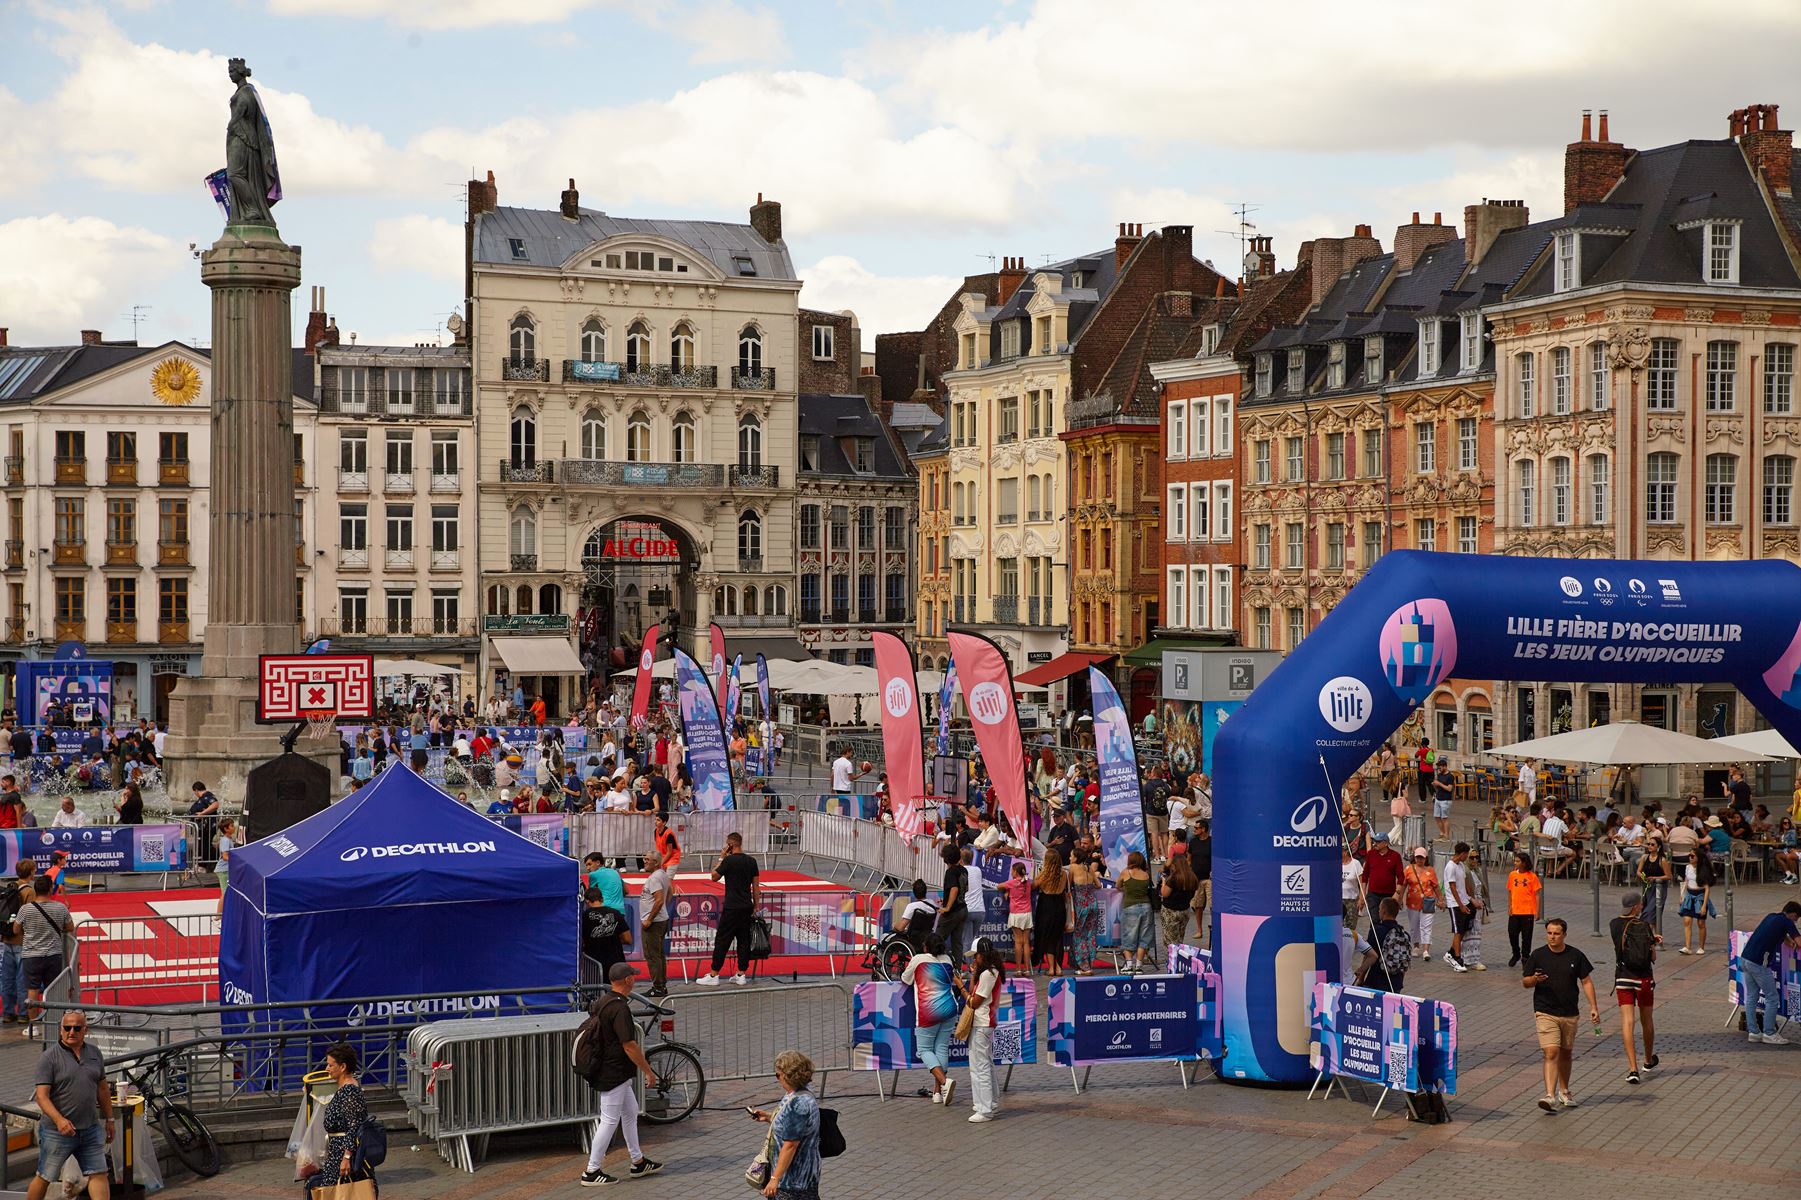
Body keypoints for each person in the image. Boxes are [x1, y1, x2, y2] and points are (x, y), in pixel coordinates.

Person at [577, 963, 665, 1186]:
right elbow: (629, 1045)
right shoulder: (620, 1008)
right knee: (608, 1120)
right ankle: (591, 1170)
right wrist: (648, 1071)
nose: (635, 979)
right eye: (633, 977)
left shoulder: (604, 1001)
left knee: (630, 1112)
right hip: (613, 1072)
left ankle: (638, 1161)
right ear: (628, 981)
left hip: (613, 1071)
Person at [28, 1008, 112, 1200]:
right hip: (56, 1131)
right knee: (44, 1176)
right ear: (60, 1029)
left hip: (90, 1127)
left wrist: (109, 1119)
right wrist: (59, 1120)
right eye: (67, 1027)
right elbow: (42, 1096)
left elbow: (103, 1089)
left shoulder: (94, 1053)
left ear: (85, 1030)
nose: (71, 1032)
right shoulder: (49, 1058)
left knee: (99, 1173)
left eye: (76, 1028)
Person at [1522, 918, 1599, 1113]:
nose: (1552, 937)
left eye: (1556, 933)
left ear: (1564, 934)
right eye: (1549, 933)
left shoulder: (1575, 955)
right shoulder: (1538, 955)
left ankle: (1564, 1091)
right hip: (1545, 1011)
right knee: (1551, 1052)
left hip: (1569, 1012)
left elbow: (1586, 981)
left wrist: (1593, 1007)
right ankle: (1550, 1095)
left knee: (1565, 1052)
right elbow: (1525, 982)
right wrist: (1535, 979)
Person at [749, 1050, 821, 1198]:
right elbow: (796, 1125)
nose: (777, 1078)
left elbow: (790, 1145)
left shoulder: (798, 1104)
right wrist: (770, 1117)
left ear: (789, 1076)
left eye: (778, 1075)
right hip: (801, 1177)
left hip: (794, 1181)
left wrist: (775, 1179)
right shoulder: (800, 1092)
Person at [306, 1042, 373, 1195]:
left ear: (342, 1067)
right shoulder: (344, 1089)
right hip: (337, 1154)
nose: (327, 1069)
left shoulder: (350, 1091)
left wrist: (346, 1157)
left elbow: (354, 1125)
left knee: (339, 1194)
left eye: (330, 1065)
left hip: (342, 1157)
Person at [900, 931, 957, 1105]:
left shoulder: (918, 959)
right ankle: (938, 1093)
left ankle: (944, 1082)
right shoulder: (948, 960)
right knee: (941, 1048)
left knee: (924, 1050)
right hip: (950, 1009)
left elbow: (905, 979)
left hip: (929, 1012)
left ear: (925, 947)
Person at [697, 832, 761, 986]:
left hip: (732, 906)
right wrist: (756, 906)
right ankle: (741, 973)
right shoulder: (752, 861)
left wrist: (721, 858)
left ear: (731, 845)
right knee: (744, 940)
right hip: (746, 906)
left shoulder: (728, 861)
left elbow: (714, 876)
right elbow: (756, 886)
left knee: (722, 940)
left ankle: (714, 975)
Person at [1610, 892, 1661, 1083]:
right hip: (1644, 980)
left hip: (1623, 979)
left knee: (1627, 1022)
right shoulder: (1646, 926)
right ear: (1636, 907)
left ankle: (1632, 1069)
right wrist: (1652, 941)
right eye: (1640, 905)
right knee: (1646, 1021)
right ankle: (1647, 1060)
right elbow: (1653, 958)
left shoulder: (1614, 924)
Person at [1738, 900, 1801, 1046]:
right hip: (1759, 964)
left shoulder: (1771, 916)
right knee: (1773, 998)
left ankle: (1754, 1032)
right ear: (1792, 914)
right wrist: (1794, 941)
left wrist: (1788, 941)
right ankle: (1769, 1033)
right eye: (1796, 918)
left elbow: (1780, 934)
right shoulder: (1787, 922)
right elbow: (1799, 941)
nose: (1796, 922)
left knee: (1752, 996)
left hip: (1745, 958)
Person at [16, 876, 69, 1035]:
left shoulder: (25, 909)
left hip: (31, 956)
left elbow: (16, 930)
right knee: (53, 989)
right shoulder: (60, 908)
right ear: (50, 889)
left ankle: (34, 1027)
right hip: (54, 954)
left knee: (32, 990)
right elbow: (70, 926)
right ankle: (56, 1024)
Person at [964, 941, 1005, 1123]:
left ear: (982, 955)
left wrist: (961, 989)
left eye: (976, 955)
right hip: (985, 1022)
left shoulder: (988, 974)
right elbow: (976, 992)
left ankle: (985, 1108)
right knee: (985, 1064)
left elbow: (974, 1001)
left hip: (982, 1022)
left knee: (979, 1067)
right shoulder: (990, 972)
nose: (974, 959)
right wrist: (973, 975)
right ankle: (991, 1102)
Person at [1356, 898, 1412, 993]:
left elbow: (1368, 956)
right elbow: (1404, 960)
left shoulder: (1376, 930)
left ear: (1384, 911)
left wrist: (1361, 978)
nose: (1378, 911)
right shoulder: (1403, 933)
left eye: (1379, 909)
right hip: (1396, 983)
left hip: (1376, 981)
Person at [638, 850, 673, 998]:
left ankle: (658, 987)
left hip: (654, 922)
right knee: (658, 955)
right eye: (644, 859)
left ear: (656, 863)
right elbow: (669, 892)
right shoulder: (662, 874)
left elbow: (659, 900)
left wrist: (649, 919)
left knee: (652, 956)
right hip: (661, 919)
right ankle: (661, 985)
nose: (644, 861)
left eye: (647, 859)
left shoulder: (654, 878)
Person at [1031, 849, 1071, 975]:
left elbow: (1033, 886)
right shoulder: (1064, 874)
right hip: (1059, 906)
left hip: (1046, 906)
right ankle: (1058, 967)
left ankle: (1051, 968)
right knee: (1058, 938)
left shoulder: (1044, 874)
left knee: (1047, 937)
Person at [582, 885, 632, 982]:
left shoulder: (584, 917)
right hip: (616, 963)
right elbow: (628, 939)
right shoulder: (616, 913)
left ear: (587, 901)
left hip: (594, 965)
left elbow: (582, 941)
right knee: (617, 992)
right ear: (602, 899)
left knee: (594, 994)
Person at [1114, 851, 1153, 972]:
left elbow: (1117, 886)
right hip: (1147, 907)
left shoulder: (1126, 873)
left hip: (1130, 906)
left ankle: (1129, 965)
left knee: (1128, 936)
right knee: (1144, 937)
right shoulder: (1146, 874)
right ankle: (1139, 966)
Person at [1067, 849, 1104, 974]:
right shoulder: (1089, 868)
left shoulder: (1073, 867)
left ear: (1076, 857)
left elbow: (1068, 884)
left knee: (1079, 934)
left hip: (1081, 905)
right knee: (1090, 934)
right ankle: (1090, 962)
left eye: (1071, 855)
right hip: (1093, 904)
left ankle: (1084, 966)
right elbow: (1098, 885)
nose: (1069, 857)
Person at [1443, 841, 1477, 972]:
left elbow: (1464, 884)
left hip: (1465, 901)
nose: (1467, 857)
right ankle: (1457, 958)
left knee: (1464, 930)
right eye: (1466, 854)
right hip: (1455, 903)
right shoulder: (1450, 867)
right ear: (1462, 853)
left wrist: (1470, 899)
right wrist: (1461, 905)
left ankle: (1451, 952)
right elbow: (1452, 888)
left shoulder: (1461, 865)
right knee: (1458, 931)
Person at [1676, 843, 1715, 955]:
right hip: (1689, 895)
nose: (1690, 858)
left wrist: (1704, 905)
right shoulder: (1688, 867)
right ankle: (1687, 946)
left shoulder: (1703, 870)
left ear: (1698, 858)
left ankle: (1701, 946)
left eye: (1692, 856)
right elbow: (1686, 881)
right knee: (1687, 920)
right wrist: (1682, 896)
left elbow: (1707, 889)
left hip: (1700, 896)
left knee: (1701, 922)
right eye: (1689, 855)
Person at [1505, 852, 1542, 967]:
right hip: (1515, 911)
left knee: (1527, 936)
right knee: (1512, 934)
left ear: (1524, 863)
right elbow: (1510, 891)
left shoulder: (1532, 876)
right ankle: (1516, 953)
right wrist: (1509, 906)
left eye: (1517, 861)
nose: (1515, 863)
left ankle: (1525, 957)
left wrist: (1537, 911)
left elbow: (1537, 894)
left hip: (1527, 911)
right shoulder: (1512, 875)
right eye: (1515, 861)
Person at [935, 844, 968, 968]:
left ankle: (935, 967)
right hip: (963, 908)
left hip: (953, 912)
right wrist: (947, 899)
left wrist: (947, 906)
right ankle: (957, 969)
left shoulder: (950, 872)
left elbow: (954, 889)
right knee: (957, 943)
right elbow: (964, 889)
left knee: (937, 939)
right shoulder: (963, 870)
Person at [1401, 847, 1437, 963]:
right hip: (1412, 902)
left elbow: (1436, 886)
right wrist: (1399, 898)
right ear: (1414, 857)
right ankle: (1416, 946)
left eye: (1422, 858)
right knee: (1414, 926)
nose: (1419, 860)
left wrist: (1441, 899)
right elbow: (1403, 885)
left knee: (1426, 926)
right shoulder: (1408, 869)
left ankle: (1426, 950)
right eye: (1418, 857)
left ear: (1426, 858)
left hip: (1428, 902)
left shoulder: (1430, 870)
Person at [1159, 852, 1198, 950]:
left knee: (1170, 940)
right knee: (1180, 938)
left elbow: (1164, 893)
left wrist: (1163, 883)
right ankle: (1179, 958)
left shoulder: (1174, 878)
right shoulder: (1192, 877)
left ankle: (1172, 961)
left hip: (1171, 911)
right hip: (1184, 910)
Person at [1359, 831, 1403, 917]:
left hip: (1389, 895)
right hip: (1373, 894)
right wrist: (1362, 894)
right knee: (1374, 919)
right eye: (1375, 841)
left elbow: (1401, 877)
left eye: (1378, 842)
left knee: (1388, 919)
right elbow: (1365, 875)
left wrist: (1397, 894)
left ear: (1386, 843)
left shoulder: (1395, 856)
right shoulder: (1371, 854)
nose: (1375, 844)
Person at [1000, 863, 1032, 968]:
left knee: (1018, 942)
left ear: (1015, 872)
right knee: (1026, 942)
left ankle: (1018, 969)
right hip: (1027, 914)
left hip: (1016, 914)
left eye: (1011, 870)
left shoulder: (1012, 883)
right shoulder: (1028, 882)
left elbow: (998, 886)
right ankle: (1027, 969)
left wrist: (1008, 889)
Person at [1638, 839, 1673, 933]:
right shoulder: (1644, 857)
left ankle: (1648, 937)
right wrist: (1642, 876)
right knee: (1652, 914)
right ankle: (1656, 937)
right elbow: (1639, 870)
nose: (1650, 846)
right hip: (1647, 888)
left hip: (1658, 889)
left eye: (1652, 844)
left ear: (1658, 847)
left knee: (1650, 912)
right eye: (1648, 844)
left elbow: (1669, 876)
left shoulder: (1662, 860)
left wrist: (1655, 878)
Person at [1339, 844, 1363, 933]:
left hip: (1352, 900)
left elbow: (1361, 882)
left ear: (1346, 852)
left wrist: (1361, 898)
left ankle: (1350, 944)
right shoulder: (1336, 863)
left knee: (1351, 927)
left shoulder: (1355, 863)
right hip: (1339, 899)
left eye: (1341, 851)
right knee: (1339, 926)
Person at [215, 818, 237, 891]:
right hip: (223, 870)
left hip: (225, 869)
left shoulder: (228, 839)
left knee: (225, 892)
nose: (234, 827)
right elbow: (225, 857)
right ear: (226, 829)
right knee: (225, 892)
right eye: (232, 826)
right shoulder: (225, 840)